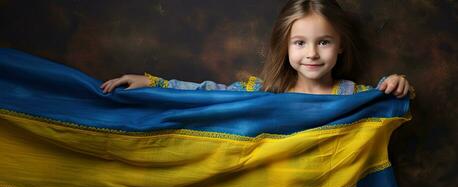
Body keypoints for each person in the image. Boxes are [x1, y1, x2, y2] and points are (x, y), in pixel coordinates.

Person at [101, 0, 414, 99]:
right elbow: (208, 94)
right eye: (300, 43)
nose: (312, 54)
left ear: (341, 46)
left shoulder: (353, 97)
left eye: (324, 42)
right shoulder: (265, 92)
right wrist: (153, 83)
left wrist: (397, 84)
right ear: (285, 46)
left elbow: (387, 98)